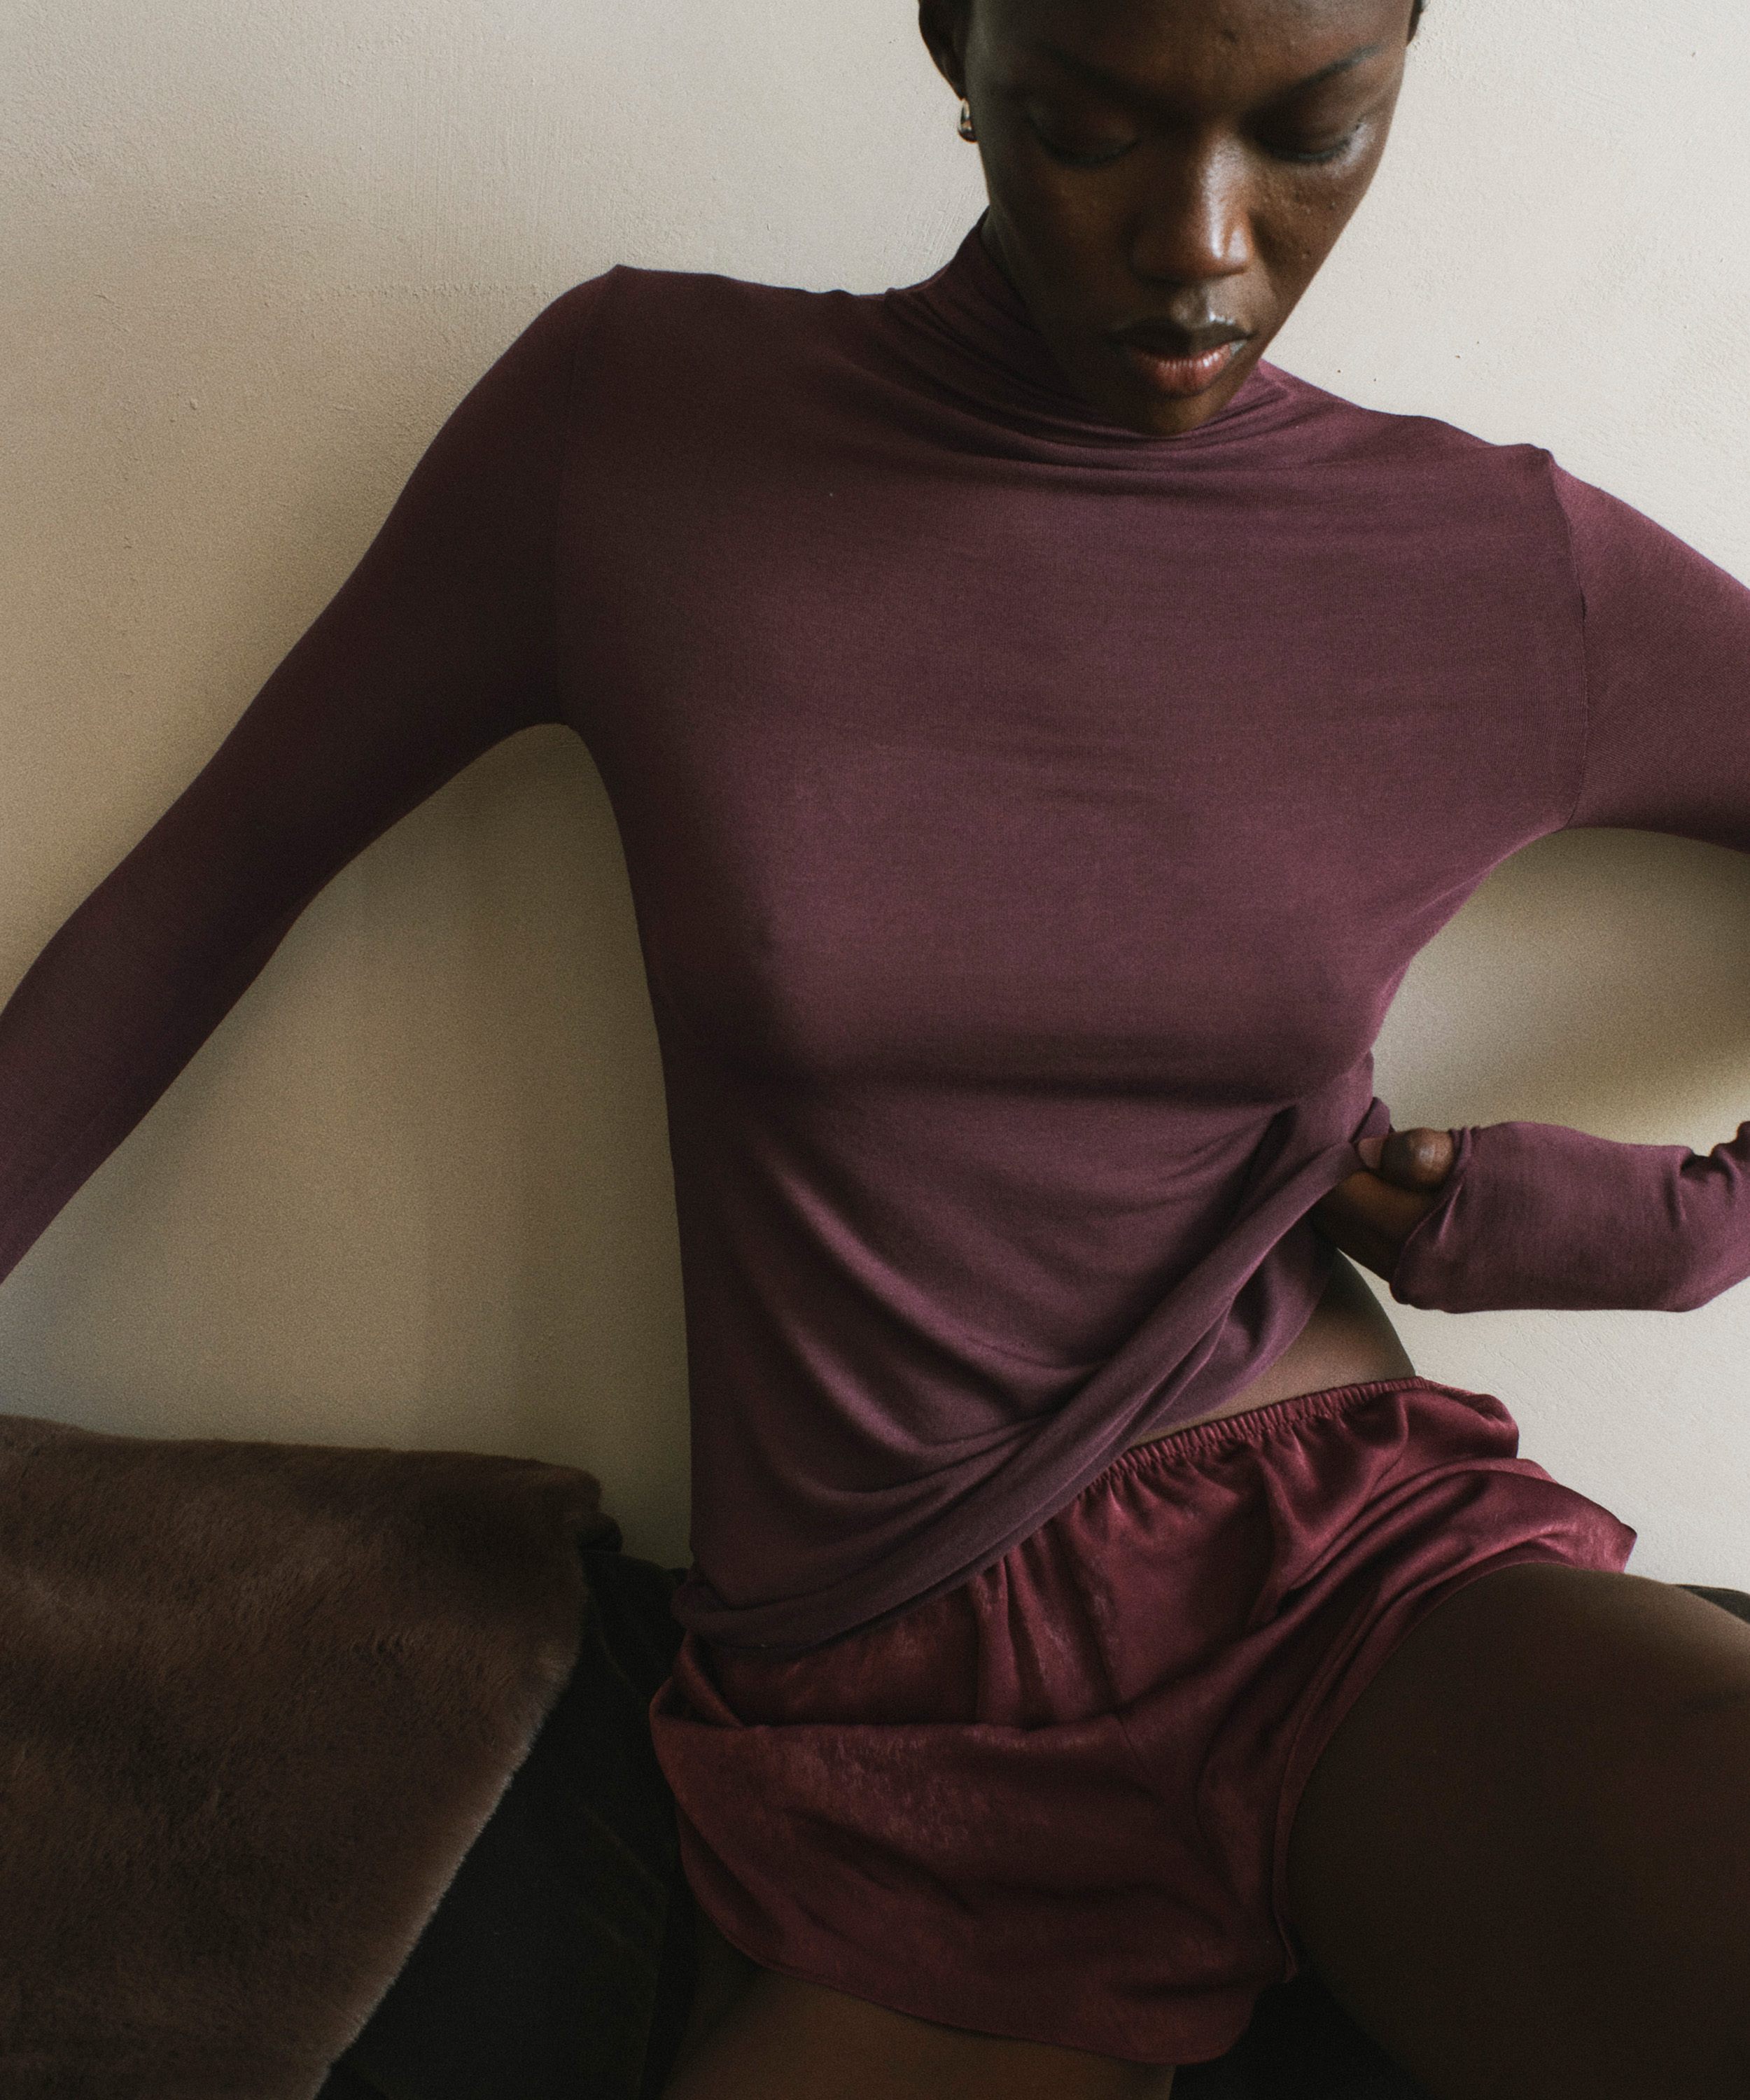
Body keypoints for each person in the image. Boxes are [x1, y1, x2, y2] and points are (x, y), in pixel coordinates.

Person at [4, 0, 1750, 2094]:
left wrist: (1680, 1230)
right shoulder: (635, 425)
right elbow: (212, 884)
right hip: (875, 1696)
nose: (1200, 243)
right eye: (1091, 128)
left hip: (1332, 1564)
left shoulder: (1496, 568)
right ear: (955, 42)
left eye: (1310, 134)